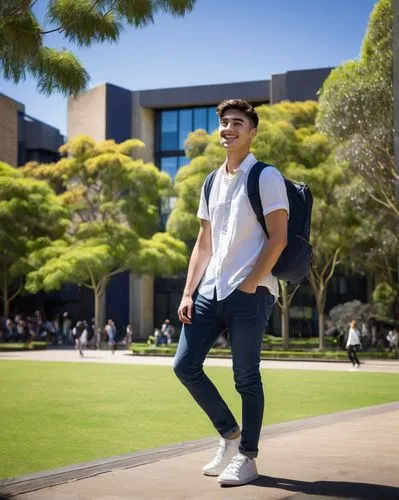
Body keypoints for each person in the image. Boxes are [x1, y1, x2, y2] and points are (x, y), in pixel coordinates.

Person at [173, 99, 289, 486]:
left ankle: (248, 456)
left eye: (238, 123)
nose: (229, 128)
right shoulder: (210, 181)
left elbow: (279, 238)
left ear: (252, 132)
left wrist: (252, 282)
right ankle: (230, 435)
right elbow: (203, 244)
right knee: (185, 366)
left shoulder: (265, 177)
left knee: (246, 378)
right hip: (210, 290)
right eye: (224, 123)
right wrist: (189, 291)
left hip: (250, 292)